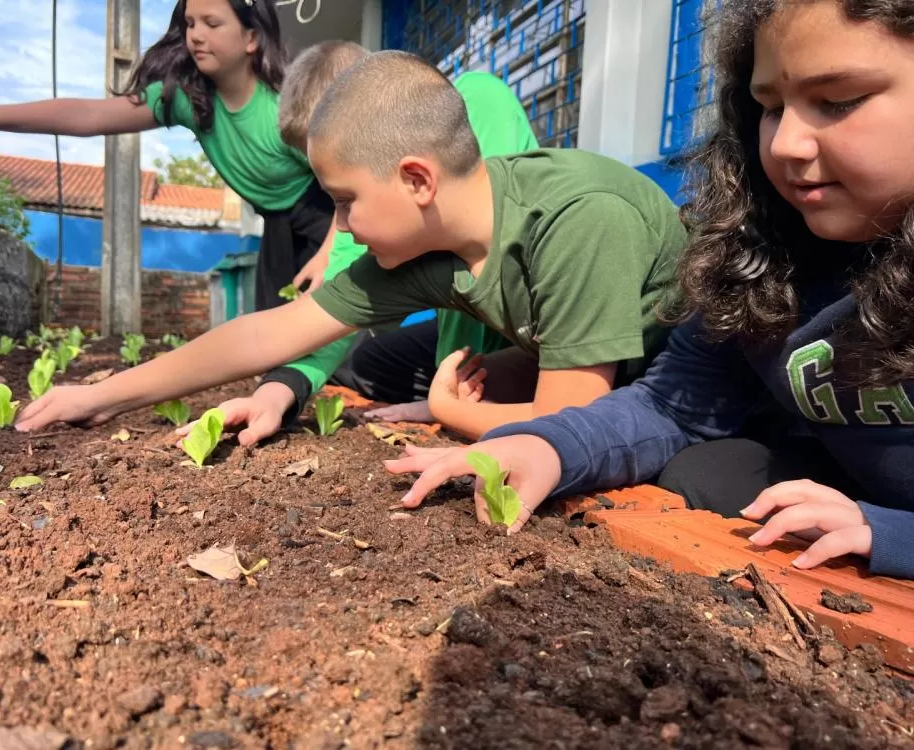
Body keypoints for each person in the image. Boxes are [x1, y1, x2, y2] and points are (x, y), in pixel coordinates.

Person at [386, 0, 914, 581]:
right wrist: (546, 446)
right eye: (770, 107)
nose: (787, 143)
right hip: (852, 484)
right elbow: (672, 405)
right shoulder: (765, 258)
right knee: (708, 474)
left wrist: (889, 533)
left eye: (839, 101)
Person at [14, 51, 684, 455]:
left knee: (693, 473)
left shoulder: (575, 220)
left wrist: (453, 413)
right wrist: (105, 395)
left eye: (344, 200)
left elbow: (570, 420)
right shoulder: (430, 245)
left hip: (681, 384)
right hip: (586, 362)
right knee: (408, 366)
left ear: (417, 180)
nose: (340, 227)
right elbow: (271, 332)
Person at [183, 39, 535, 446]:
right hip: (468, 333)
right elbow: (330, 308)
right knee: (369, 362)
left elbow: (480, 271)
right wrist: (281, 386)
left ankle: (467, 391)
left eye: (344, 196)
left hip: (526, 336)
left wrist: (450, 405)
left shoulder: (480, 106)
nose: (342, 224)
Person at [0, 0, 332, 311]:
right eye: (189, 23)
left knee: (342, 320)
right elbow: (89, 114)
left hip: (332, 211)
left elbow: (350, 184)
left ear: (251, 38)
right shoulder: (187, 100)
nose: (195, 35)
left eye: (211, 22)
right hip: (277, 222)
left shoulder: (284, 106)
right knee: (275, 335)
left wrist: (331, 250)